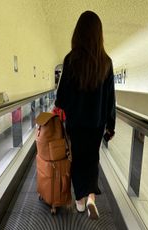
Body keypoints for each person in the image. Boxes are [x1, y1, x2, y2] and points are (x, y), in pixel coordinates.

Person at [55, 11, 115, 220]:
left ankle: (80, 202)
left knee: (77, 160)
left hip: (76, 123)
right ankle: (91, 197)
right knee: (92, 159)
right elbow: (110, 99)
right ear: (99, 34)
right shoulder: (106, 62)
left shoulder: (71, 60)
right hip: (96, 124)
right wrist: (110, 125)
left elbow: (61, 98)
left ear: (77, 33)